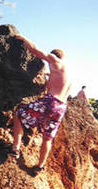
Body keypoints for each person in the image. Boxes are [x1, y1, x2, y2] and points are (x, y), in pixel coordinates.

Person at [9, 34, 72, 172]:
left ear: (55, 56)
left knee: (19, 114)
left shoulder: (55, 60)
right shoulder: (68, 76)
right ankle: (40, 166)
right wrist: (49, 77)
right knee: (47, 137)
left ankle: (15, 149)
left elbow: (37, 51)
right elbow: (56, 84)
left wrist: (24, 39)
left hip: (51, 102)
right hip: (61, 108)